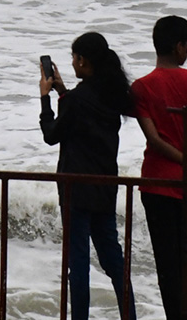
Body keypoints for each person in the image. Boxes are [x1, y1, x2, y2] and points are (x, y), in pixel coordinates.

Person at [39, 32, 137, 320]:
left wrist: (45, 98)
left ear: (83, 60)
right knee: (115, 262)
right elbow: (83, 115)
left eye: (74, 57)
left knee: (78, 262)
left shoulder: (79, 99)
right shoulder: (112, 95)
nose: (71, 62)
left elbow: (52, 135)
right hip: (105, 187)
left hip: (75, 190)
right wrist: (62, 92)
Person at [130, 15, 187, 320]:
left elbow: (153, 140)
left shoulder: (142, 87)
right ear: (179, 47)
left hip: (156, 185)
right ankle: (184, 312)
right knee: (185, 262)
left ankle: (175, 316)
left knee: (166, 265)